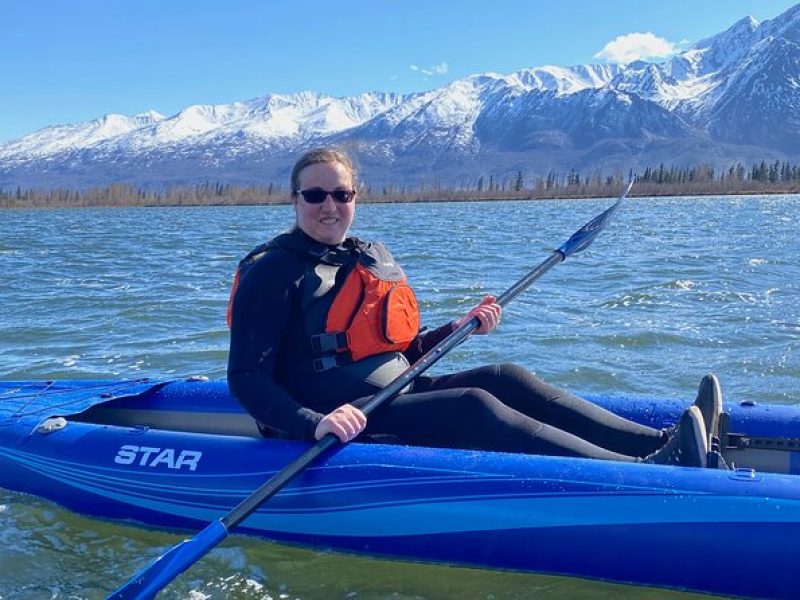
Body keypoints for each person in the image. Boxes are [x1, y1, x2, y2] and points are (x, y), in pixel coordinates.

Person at [227, 148, 722, 468]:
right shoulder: (272, 272)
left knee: (507, 377)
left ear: (355, 197)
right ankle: (640, 472)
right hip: (339, 416)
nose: (329, 206)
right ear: (294, 200)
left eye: (341, 194)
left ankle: (657, 442)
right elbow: (246, 378)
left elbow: (400, 350)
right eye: (315, 195)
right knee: (473, 405)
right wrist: (316, 422)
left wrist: (458, 328)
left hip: (396, 386)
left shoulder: (357, 258)